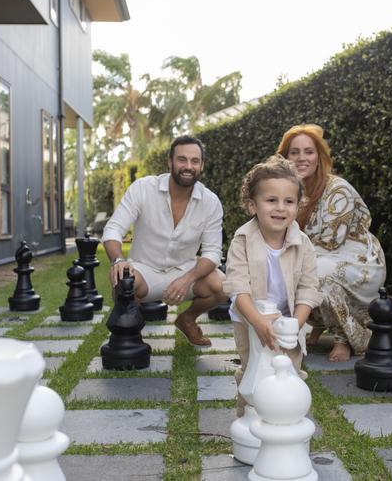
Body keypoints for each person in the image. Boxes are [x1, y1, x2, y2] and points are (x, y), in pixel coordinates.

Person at [102, 135, 227, 347]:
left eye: (194, 161)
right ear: (170, 162)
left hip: (184, 271)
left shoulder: (210, 201)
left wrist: (187, 279)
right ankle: (130, 335)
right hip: (143, 270)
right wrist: (118, 261)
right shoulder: (143, 188)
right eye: (182, 159)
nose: (188, 166)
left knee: (224, 285)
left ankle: (187, 320)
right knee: (124, 282)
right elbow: (113, 229)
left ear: (201, 165)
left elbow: (213, 253)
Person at [277, 124, 386, 362]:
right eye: (294, 152)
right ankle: (319, 325)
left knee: (316, 274)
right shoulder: (287, 189)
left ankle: (345, 338)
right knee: (283, 269)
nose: (301, 158)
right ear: (285, 157)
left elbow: (330, 242)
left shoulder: (338, 190)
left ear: (319, 157)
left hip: (357, 260)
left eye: (309, 151)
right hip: (314, 254)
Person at [223, 155, 322, 416]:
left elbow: (308, 290)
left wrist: (295, 325)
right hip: (248, 318)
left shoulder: (303, 243)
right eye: (271, 200)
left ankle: (290, 417)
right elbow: (238, 288)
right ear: (252, 204)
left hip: (288, 318)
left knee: (290, 369)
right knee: (254, 369)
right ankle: (249, 420)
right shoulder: (242, 240)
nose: (280, 208)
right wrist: (257, 322)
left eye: (289, 201)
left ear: (298, 206)